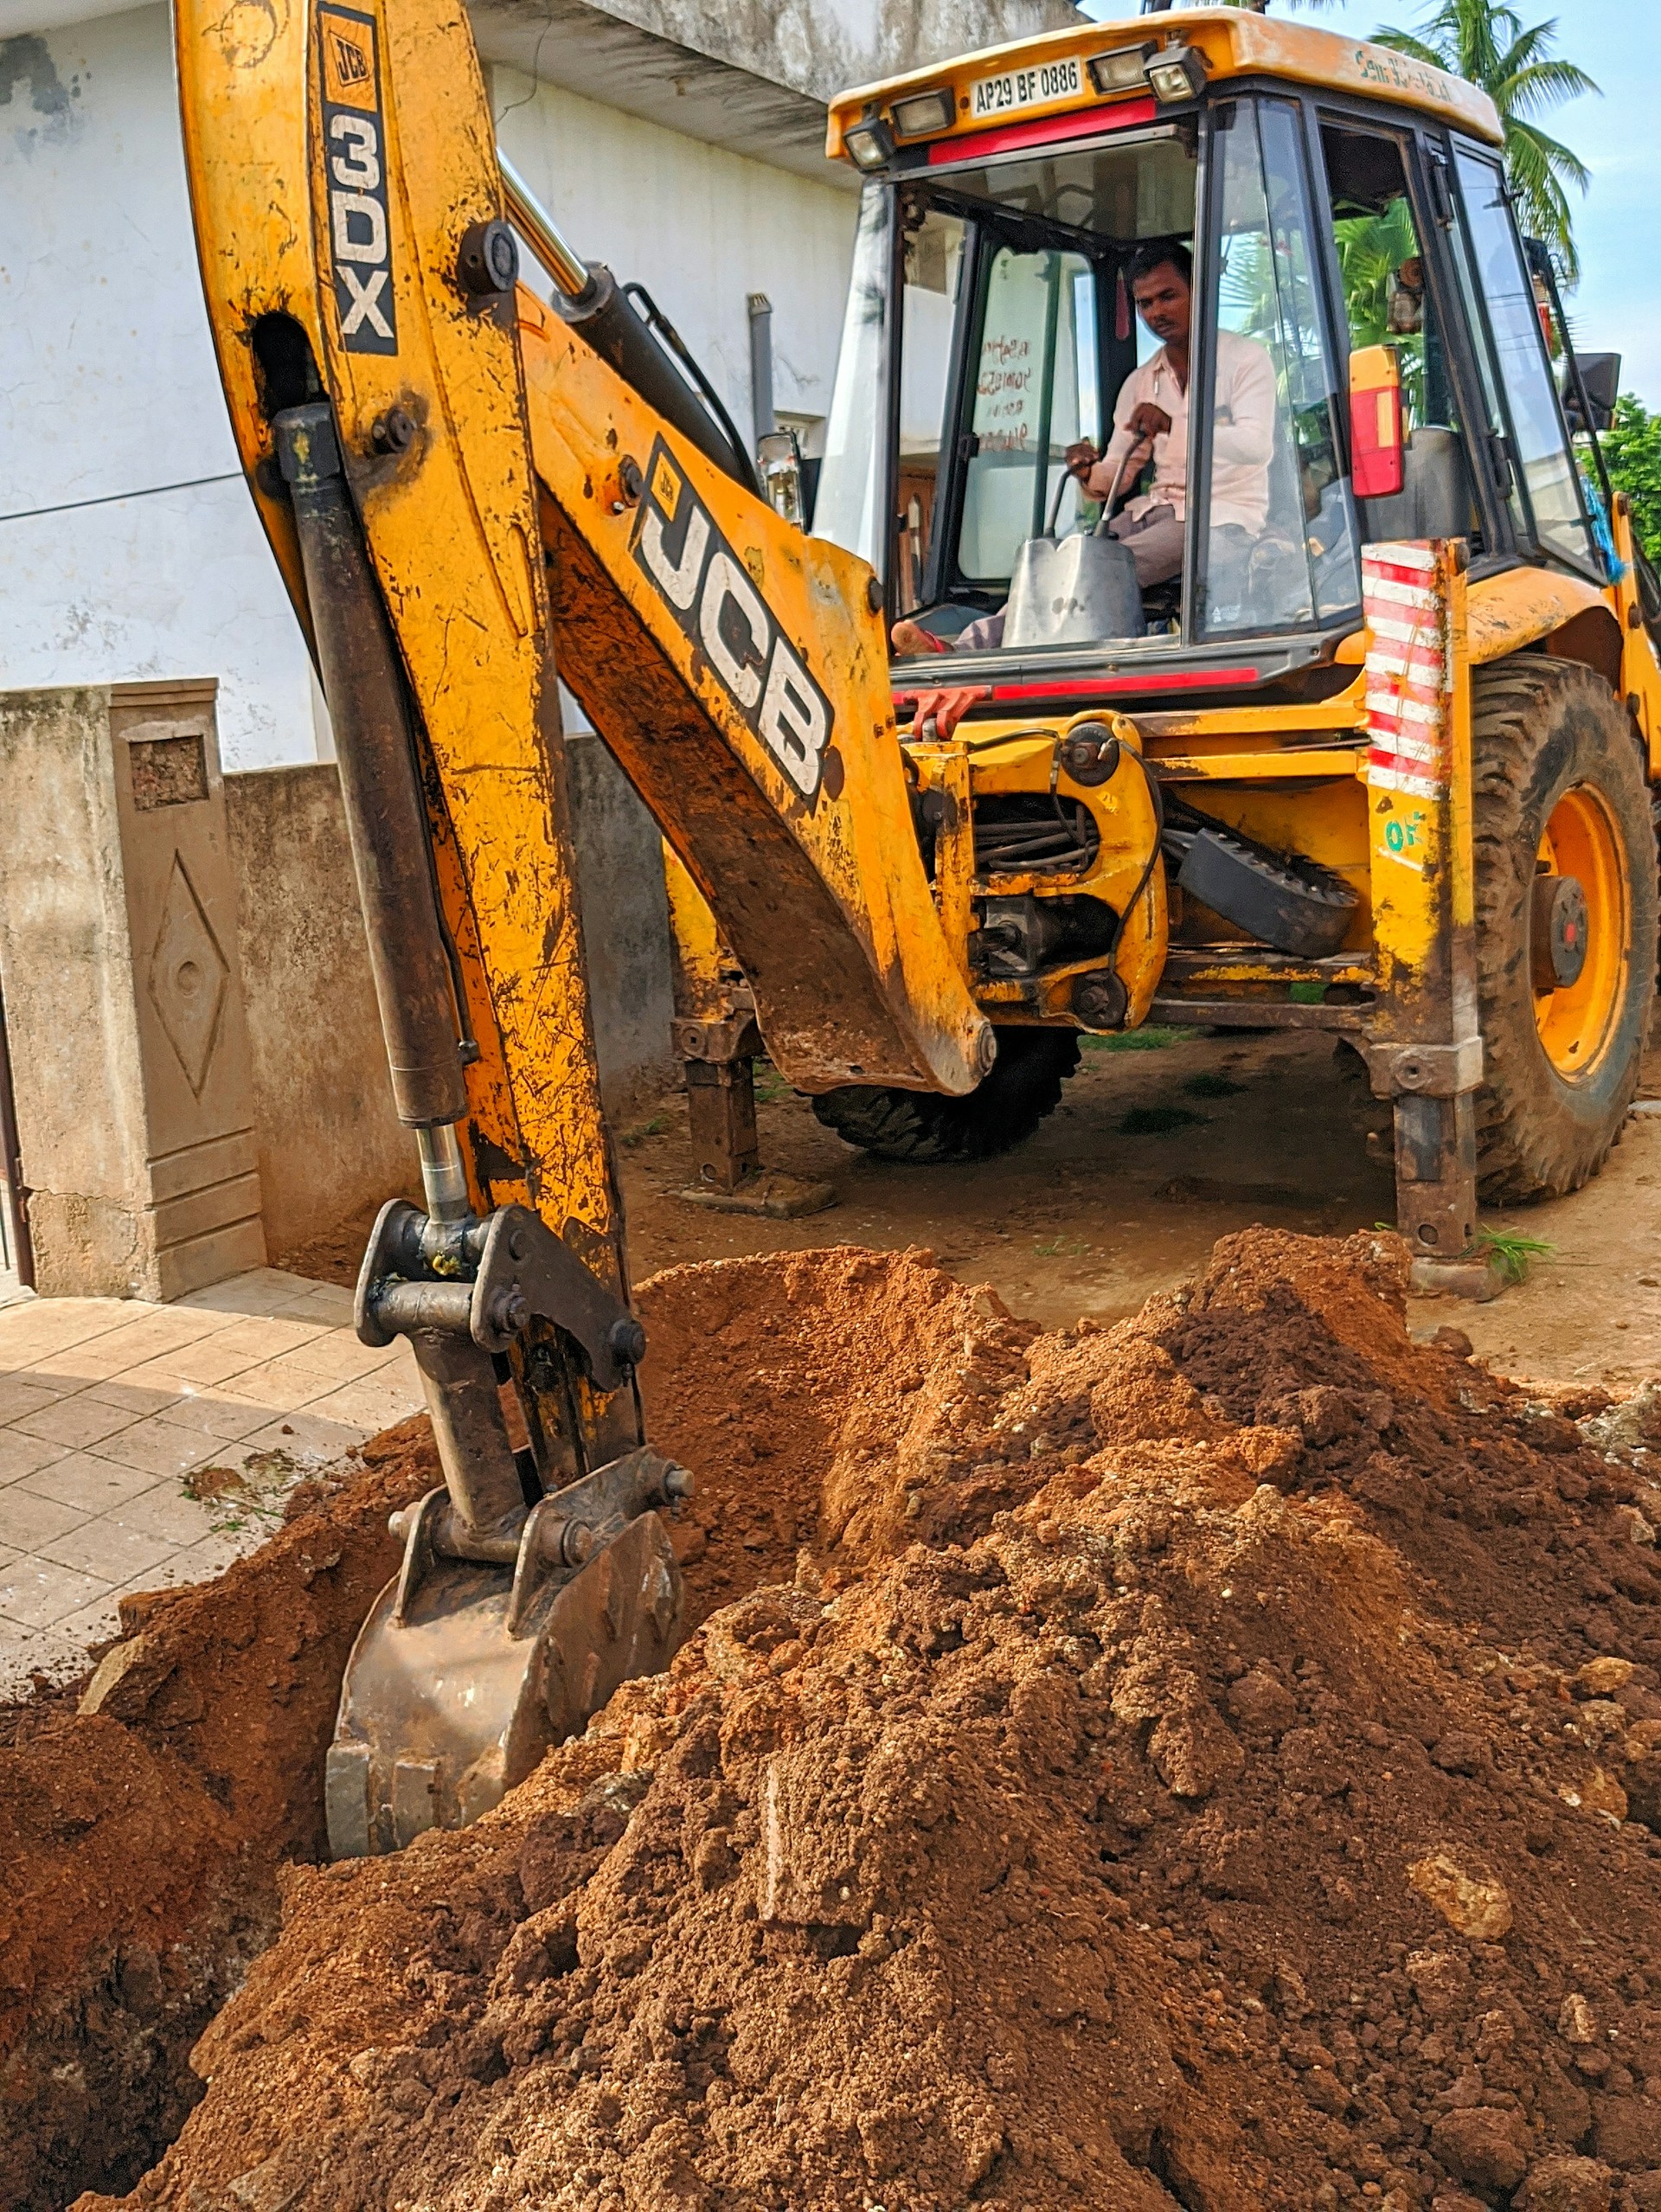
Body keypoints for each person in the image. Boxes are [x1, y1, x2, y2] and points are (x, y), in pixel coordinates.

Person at [897, 241, 1277, 736]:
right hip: (1157, 510)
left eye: (1169, 296)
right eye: (1145, 303)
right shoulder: (1143, 382)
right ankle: (962, 652)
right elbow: (1112, 477)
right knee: (1061, 558)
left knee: (1106, 567)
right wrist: (1084, 469)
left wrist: (1172, 427)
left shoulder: (1246, 361)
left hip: (1223, 516)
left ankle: (992, 658)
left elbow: (1254, 448)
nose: (1157, 313)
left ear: (1198, 291)